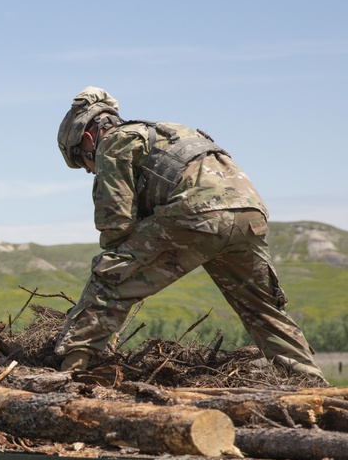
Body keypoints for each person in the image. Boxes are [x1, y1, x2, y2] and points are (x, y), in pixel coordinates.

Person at [53, 86, 325, 382]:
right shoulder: (170, 130)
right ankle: (313, 386)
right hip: (250, 211)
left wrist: (124, 268)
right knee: (263, 310)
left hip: (198, 212)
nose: (90, 170)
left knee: (109, 278)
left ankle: (68, 374)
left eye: (83, 161)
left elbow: (115, 223)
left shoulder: (113, 143)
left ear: (89, 138)